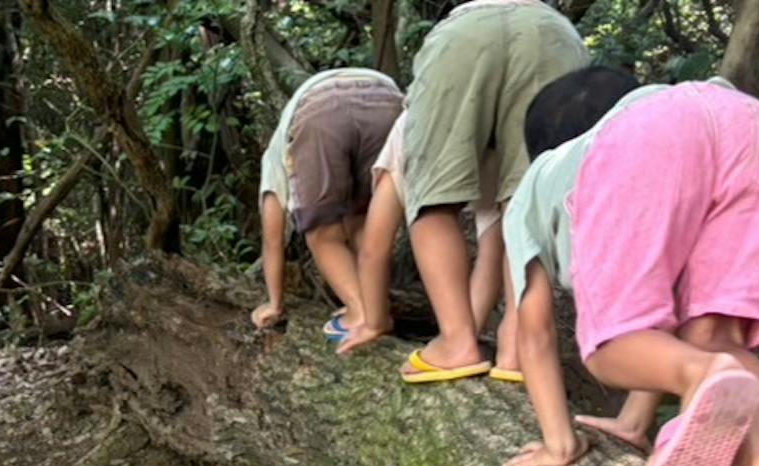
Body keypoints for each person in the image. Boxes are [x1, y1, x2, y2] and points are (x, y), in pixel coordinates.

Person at [499, 67, 759, 466]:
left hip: (653, 140)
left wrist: (558, 442)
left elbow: (533, 329)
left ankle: (703, 377)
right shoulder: (667, 111)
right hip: (757, 129)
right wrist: (631, 421)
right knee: (716, 337)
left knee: (611, 346)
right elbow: (666, 324)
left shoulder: (549, 172)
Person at [365, 0, 589, 382]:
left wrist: (369, 318)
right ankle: (519, 347)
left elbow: (379, 238)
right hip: (553, 33)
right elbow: (502, 239)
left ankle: (456, 345)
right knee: (532, 196)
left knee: (434, 197)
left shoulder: (401, 132)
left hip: (468, 31)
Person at [335, 110, 516, 382]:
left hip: (437, 122)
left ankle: (458, 345)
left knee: (431, 212)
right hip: (507, 125)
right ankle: (511, 352)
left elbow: (374, 247)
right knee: (499, 239)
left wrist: (374, 321)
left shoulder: (404, 135)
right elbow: (492, 251)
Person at [252, 68, 404, 342]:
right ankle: (377, 306)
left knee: (322, 234)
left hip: (322, 110)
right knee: (369, 222)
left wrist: (274, 304)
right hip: (387, 98)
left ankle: (362, 314)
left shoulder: (273, 161)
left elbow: (272, 240)